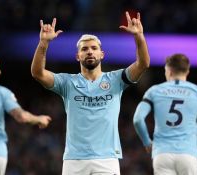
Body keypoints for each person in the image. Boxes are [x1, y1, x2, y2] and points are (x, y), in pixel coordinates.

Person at [31, 11, 150, 175]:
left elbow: (143, 64)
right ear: (77, 56)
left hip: (107, 159)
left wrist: (139, 37)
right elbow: (38, 73)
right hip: (74, 160)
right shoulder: (67, 82)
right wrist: (43, 43)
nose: (89, 51)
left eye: (94, 48)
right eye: (84, 49)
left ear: (102, 55)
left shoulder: (116, 79)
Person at [133, 53, 197, 175]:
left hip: (162, 154)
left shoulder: (154, 91)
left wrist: (147, 142)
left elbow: (138, 119)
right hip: (188, 155)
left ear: (169, 70)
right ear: (187, 71)